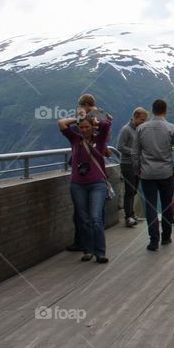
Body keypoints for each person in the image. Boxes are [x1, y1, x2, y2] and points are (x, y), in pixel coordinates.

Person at [58, 109, 114, 264]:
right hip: (77, 185)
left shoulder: (100, 140)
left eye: (86, 127)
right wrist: (79, 118)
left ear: (92, 127)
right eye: (81, 127)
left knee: (96, 218)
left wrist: (95, 120)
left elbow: (106, 123)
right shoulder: (75, 139)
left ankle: (100, 252)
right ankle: (88, 250)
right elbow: (61, 123)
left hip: (97, 184)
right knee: (83, 219)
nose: (83, 130)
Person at [133, 99, 174, 251]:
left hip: (147, 174)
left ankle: (153, 240)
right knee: (167, 205)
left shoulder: (141, 129)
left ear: (152, 110)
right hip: (166, 173)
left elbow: (134, 152)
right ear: (165, 110)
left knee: (151, 206)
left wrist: (138, 169)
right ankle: (166, 237)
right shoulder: (172, 128)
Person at [65, 94, 101, 252]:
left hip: (88, 172)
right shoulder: (99, 118)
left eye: (80, 107)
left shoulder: (96, 121)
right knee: (94, 214)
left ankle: (84, 243)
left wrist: (83, 116)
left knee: (83, 214)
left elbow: (66, 126)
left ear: (85, 105)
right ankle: (92, 244)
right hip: (87, 170)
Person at [116, 107, 149, 227]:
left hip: (137, 164)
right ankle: (128, 217)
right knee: (130, 190)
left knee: (134, 190)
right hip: (127, 164)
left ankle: (132, 214)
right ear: (134, 117)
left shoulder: (139, 130)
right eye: (142, 119)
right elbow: (120, 146)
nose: (144, 122)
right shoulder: (126, 130)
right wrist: (134, 152)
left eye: (145, 120)